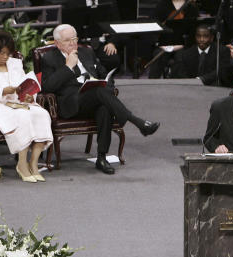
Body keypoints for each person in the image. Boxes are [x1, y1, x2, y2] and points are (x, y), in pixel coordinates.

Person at [39, 24, 160, 175]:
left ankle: (101, 158)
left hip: (95, 97)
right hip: (71, 103)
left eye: (74, 39)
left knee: (104, 107)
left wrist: (107, 85)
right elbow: (47, 87)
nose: (72, 43)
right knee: (99, 93)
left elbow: (105, 75)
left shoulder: (86, 52)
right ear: (57, 43)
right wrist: (68, 67)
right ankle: (136, 121)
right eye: (67, 40)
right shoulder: (50, 58)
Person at [0, 31, 52, 183]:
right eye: (2, 53)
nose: (5, 57)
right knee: (22, 116)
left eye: (8, 54)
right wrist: (2, 91)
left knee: (42, 114)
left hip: (18, 102)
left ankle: (33, 163)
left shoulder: (15, 63)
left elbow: (23, 84)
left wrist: (29, 96)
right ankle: (21, 163)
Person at [150, 0, 198, 79]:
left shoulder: (191, 6)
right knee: (158, 58)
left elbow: (193, 32)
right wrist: (160, 45)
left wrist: (181, 46)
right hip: (164, 44)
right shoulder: (163, 3)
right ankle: (151, 86)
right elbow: (154, 25)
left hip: (183, 45)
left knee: (181, 58)